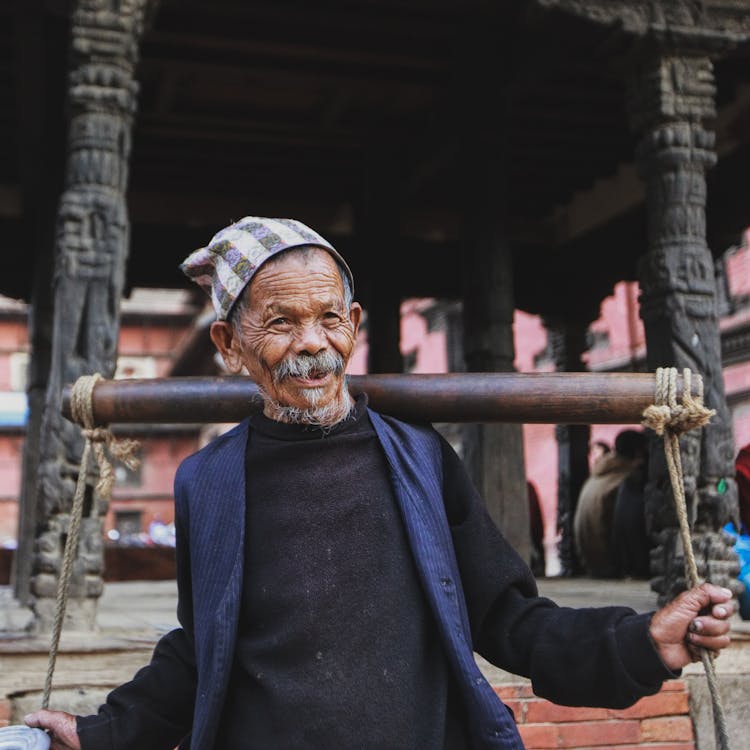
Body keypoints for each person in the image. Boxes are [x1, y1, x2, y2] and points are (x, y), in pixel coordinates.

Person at [26, 217, 734, 750]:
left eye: (328, 317)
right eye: (280, 322)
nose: (311, 344)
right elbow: (200, 645)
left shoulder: (419, 459)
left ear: (354, 325)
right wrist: (105, 733)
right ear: (228, 345)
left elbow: (509, 619)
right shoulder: (207, 481)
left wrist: (641, 643)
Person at [574, 429, 647, 578]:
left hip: (591, 564)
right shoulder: (625, 481)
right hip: (609, 566)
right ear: (639, 453)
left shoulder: (600, 475)